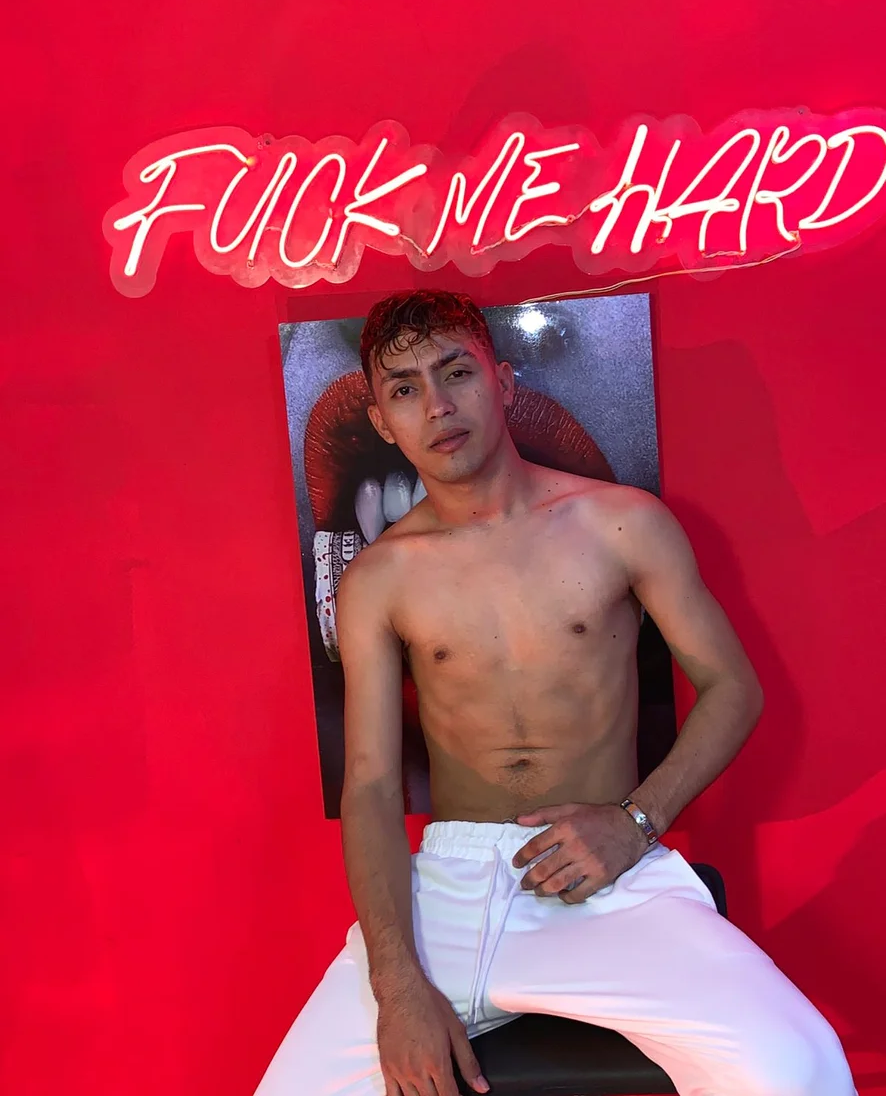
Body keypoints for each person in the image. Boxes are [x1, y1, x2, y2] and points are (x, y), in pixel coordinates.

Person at [254, 291, 855, 1096]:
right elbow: (369, 785)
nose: (437, 405)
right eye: (404, 388)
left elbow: (731, 687)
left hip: (610, 875)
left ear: (503, 382)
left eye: (456, 372)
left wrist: (636, 822)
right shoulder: (380, 576)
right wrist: (397, 987)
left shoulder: (622, 522)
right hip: (450, 891)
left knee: (795, 1063)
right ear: (382, 421)